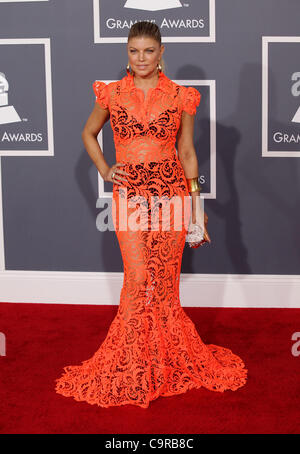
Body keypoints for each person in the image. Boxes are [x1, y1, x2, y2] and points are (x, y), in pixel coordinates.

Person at [54, 21, 247, 409]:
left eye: (147, 51)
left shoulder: (180, 96)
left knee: (163, 284)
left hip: (172, 196)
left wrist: (196, 206)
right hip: (129, 197)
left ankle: (164, 360)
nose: (140, 58)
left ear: (161, 54)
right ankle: (132, 363)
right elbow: (88, 134)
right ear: (127, 53)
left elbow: (188, 152)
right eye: (133, 51)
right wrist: (106, 170)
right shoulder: (111, 94)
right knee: (138, 277)